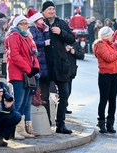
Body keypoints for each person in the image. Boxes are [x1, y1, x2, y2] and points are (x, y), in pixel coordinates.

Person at [42, 1, 76, 134]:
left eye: (53, 9)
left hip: (61, 65)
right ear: (44, 11)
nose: (51, 11)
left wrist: (61, 32)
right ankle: (46, 123)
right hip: (46, 65)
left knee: (64, 95)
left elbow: (71, 39)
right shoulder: (40, 23)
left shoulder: (61, 23)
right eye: (49, 9)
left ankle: (60, 125)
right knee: (44, 95)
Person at [5, 15, 40, 139]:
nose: (26, 25)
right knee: (18, 102)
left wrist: (35, 68)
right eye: (22, 23)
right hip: (17, 74)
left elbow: (33, 54)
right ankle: (14, 130)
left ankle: (21, 129)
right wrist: (29, 69)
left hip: (27, 74)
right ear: (16, 25)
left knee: (25, 102)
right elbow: (14, 55)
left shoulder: (27, 36)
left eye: (26, 23)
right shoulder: (14, 35)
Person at [93, 26, 117, 133]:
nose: (113, 37)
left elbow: (115, 61)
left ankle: (110, 123)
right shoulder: (100, 45)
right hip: (105, 75)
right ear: (107, 35)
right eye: (112, 35)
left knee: (113, 101)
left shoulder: (110, 45)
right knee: (104, 100)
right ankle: (101, 122)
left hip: (114, 75)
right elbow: (109, 58)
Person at [26, 8, 50, 122]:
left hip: (42, 57)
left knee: (40, 79)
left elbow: (46, 40)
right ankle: (35, 97)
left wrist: (46, 32)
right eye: (41, 19)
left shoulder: (40, 29)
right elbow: (33, 42)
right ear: (35, 20)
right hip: (37, 57)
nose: (43, 20)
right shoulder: (32, 29)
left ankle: (38, 97)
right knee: (36, 80)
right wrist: (44, 43)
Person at [65, 37, 84, 114]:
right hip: (61, 70)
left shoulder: (75, 43)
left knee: (68, 90)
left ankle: (64, 106)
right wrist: (65, 50)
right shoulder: (61, 42)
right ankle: (60, 108)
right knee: (62, 91)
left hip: (71, 71)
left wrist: (74, 52)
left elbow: (81, 55)